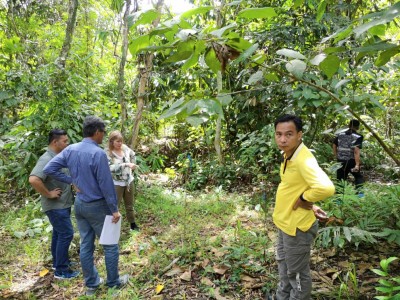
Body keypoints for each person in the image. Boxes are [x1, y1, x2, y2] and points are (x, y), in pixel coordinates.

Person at [43, 116, 129, 296]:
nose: (103, 136)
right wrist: (114, 209)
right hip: (98, 205)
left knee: (86, 244)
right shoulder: (97, 153)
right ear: (97, 132)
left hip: (80, 204)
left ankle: (91, 285)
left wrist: (72, 180)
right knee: (110, 245)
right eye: (103, 133)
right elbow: (106, 184)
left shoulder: (71, 149)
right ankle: (113, 283)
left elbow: (49, 169)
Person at [273, 114, 335, 300]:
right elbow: (298, 185)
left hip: (297, 228)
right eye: (279, 134)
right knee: (284, 266)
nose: (283, 139)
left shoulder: (303, 159)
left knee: (297, 273)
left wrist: (304, 197)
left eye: (289, 134)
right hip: (285, 223)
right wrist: (311, 204)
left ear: (299, 135)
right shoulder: (290, 154)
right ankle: (282, 296)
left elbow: (326, 187)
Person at [29, 129, 79, 280]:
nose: (67, 143)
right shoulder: (46, 159)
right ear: (55, 142)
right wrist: (49, 193)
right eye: (64, 141)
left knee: (59, 234)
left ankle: (58, 263)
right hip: (55, 206)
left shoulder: (58, 156)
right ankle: (62, 271)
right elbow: (33, 179)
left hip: (62, 205)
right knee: (66, 233)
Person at [107, 130, 139, 231]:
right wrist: (125, 165)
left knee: (130, 204)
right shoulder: (108, 153)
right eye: (117, 141)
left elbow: (133, 154)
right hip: (117, 183)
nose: (120, 143)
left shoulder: (125, 148)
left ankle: (133, 224)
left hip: (129, 181)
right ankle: (112, 228)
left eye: (121, 141)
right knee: (115, 206)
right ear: (112, 141)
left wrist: (133, 163)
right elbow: (109, 168)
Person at [333, 119, 364, 193]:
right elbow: (356, 150)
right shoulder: (358, 136)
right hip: (351, 162)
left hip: (341, 161)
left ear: (349, 126)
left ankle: (338, 200)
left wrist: (336, 155)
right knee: (358, 177)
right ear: (357, 127)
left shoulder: (340, 134)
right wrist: (357, 164)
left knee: (340, 179)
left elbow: (334, 145)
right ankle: (360, 195)